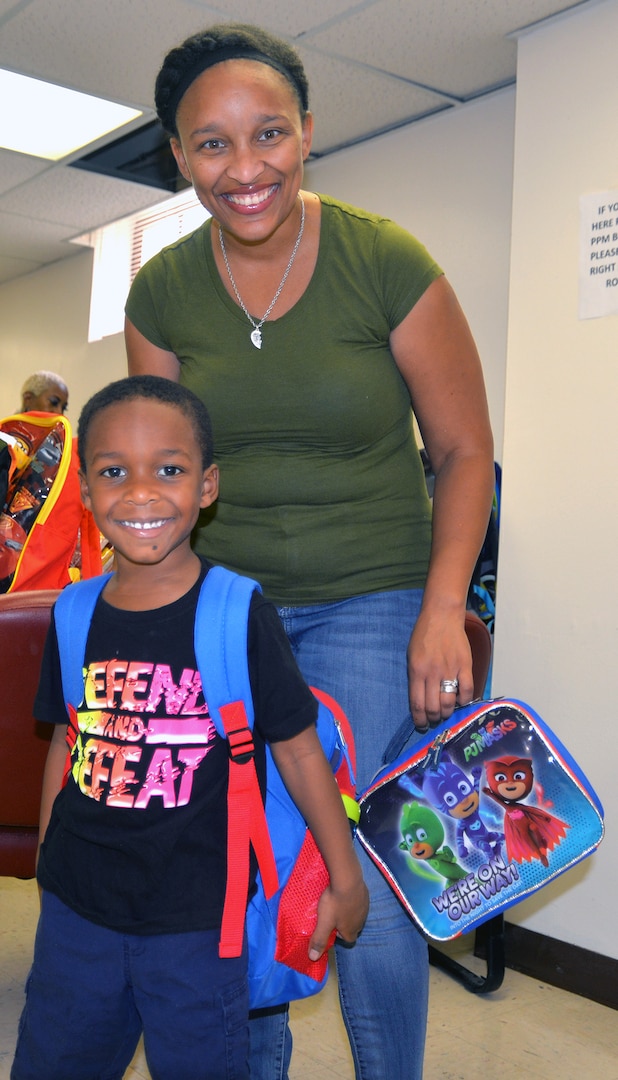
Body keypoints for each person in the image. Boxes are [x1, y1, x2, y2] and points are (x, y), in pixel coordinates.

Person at [124, 22, 495, 1080]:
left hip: (371, 596)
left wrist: (441, 609)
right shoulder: (162, 295)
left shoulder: (384, 258)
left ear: (308, 134)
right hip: (226, 607)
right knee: (239, 865)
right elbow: (161, 474)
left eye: (269, 134)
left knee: (359, 859)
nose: (246, 169)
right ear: (179, 156)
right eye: (211, 145)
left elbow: (465, 450)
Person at [11, 375, 368, 1080]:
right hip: (77, 910)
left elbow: (297, 753)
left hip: (202, 920)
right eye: (114, 472)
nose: (140, 493)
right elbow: (66, 737)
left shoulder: (240, 613)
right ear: (84, 488)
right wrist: (50, 855)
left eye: (168, 470)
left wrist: (346, 877)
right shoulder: (73, 613)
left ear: (207, 486)